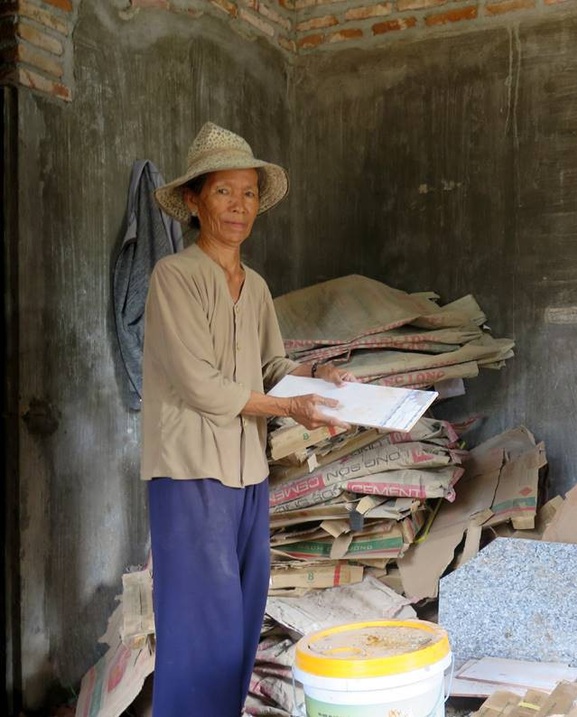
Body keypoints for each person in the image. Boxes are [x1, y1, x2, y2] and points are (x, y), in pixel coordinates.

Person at [145, 122, 352, 716]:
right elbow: (203, 386)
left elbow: (272, 366)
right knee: (198, 627)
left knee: (238, 624)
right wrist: (292, 408)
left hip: (245, 473)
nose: (239, 207)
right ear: (193, 200)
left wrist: (319, 377)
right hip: (189, 473)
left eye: (249, 194)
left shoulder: (255, 286)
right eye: (223, 192)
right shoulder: (173, 278)